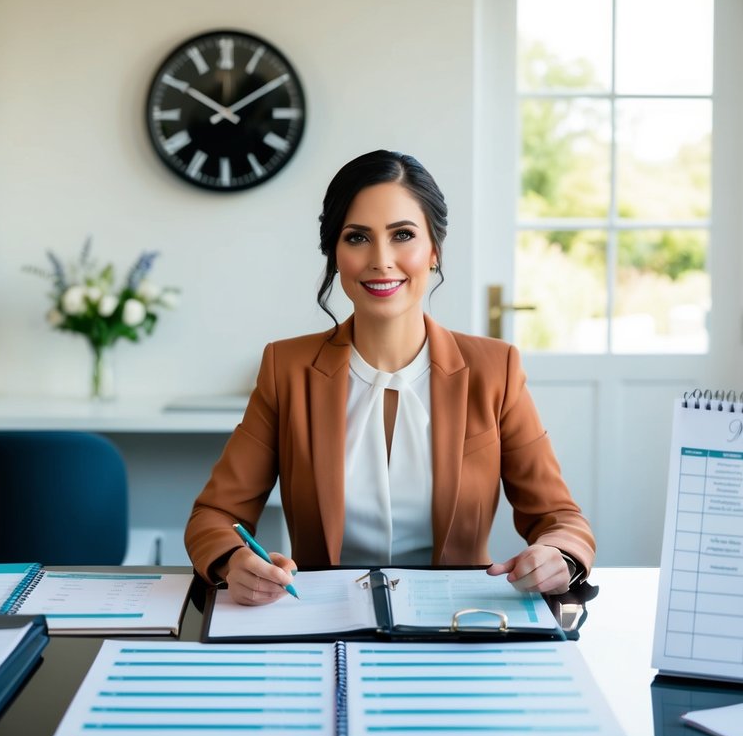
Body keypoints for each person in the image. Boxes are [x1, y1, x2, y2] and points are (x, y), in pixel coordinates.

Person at [184, 149, 594, 605]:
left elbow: (560, 518)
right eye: (357, 238)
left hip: (456, 620)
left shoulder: (495, 368)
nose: (381, 260)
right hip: (321, 620)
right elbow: (215, 516)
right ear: (335, 255)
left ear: (434, 250)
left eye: (402, 235)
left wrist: (560, 555)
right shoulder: (287, 369)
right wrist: (232, 562)